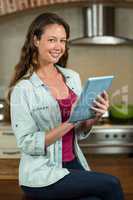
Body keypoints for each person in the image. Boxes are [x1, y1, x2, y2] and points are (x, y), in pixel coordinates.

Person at [8, 12, 124, 200]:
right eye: (52, 40)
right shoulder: (24, 88)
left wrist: (94, 115)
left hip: (74, 164)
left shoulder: (72, 77)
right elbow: (27, 143)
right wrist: (70, 121)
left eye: (63, 41)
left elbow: (79, 131)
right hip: (43, 173)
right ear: (36, 40)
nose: (58, 47)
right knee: (112, 184)